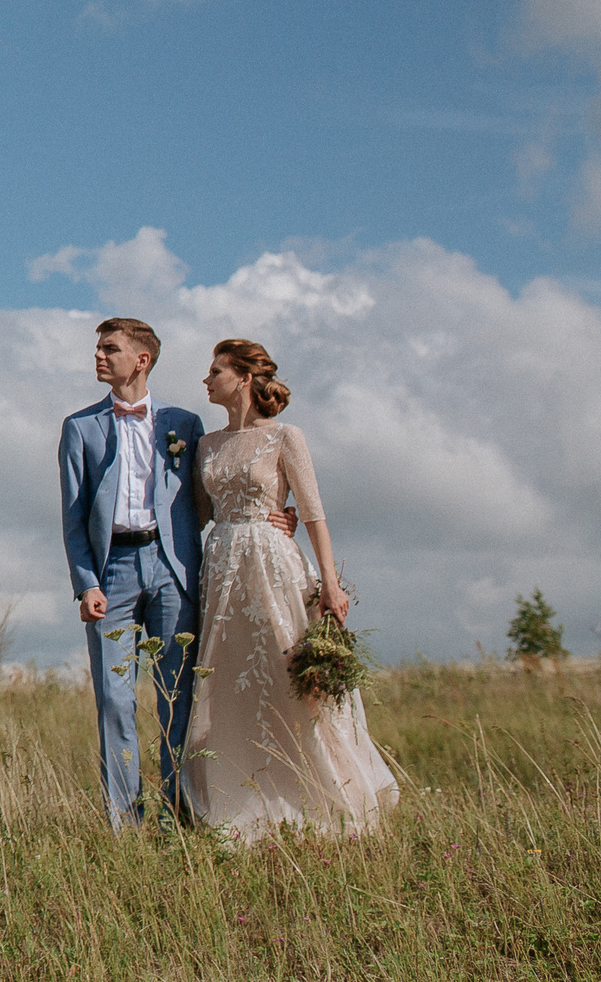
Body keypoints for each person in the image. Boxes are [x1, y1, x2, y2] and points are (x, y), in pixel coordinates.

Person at [182, 338, 398, 837]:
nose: (206, 380)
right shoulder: (206, 445)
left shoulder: (285, 438)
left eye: (215, 371)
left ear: (242, 378)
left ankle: (321, 796)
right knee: (225, 680)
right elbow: (197, 517)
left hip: (273, 563)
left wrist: (330, 584)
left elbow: (315, 513)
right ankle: (234, 797)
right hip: (221, 566)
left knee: (290, 677)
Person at [59, 318, 217, 825]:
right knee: (113, 698)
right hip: (113, 571)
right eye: (98, 349)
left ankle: (179, 814)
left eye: (110, 349)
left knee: (178, 695)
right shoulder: (80, 427)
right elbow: (74, 516)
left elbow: (206, 500)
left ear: (141, 360)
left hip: (173, 570)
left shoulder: (185, 425)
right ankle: (126, 823)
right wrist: (87, 584)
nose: (99, 357)